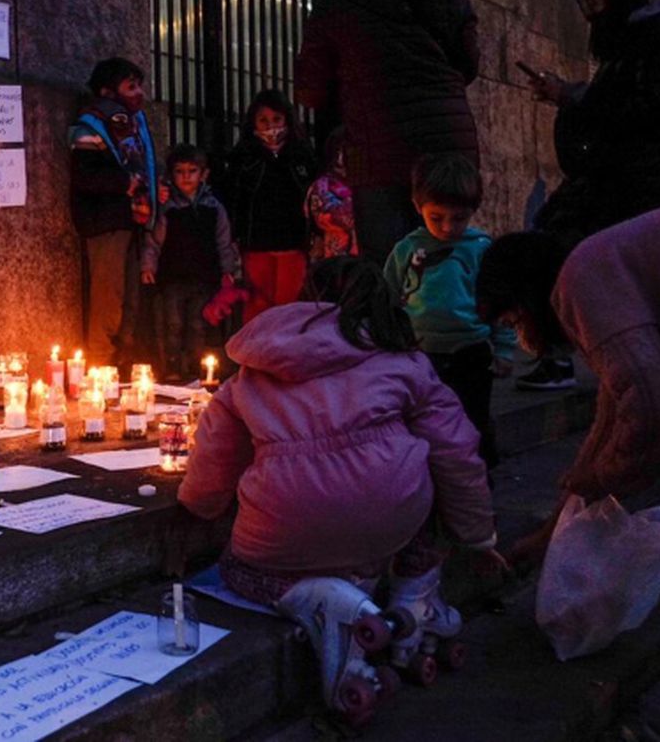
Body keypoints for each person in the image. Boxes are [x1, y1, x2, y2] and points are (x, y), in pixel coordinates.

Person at [178, 257, 500, 723]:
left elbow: (214, 458)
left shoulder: (250, 374)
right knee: (423, 514)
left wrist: (198, 507)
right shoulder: (406, 364)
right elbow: (456, 451)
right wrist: (478, 537)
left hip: (284, 529)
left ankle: (314, 596)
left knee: (240, 573)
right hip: (391, 521)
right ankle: (415, 598)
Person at [478, 199, 660, 721]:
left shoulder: (582, 281)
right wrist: (556, 526)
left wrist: (605, 479)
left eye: (514, 322)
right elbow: (613, 414)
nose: (525, 343)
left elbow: (656, 407)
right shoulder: (605, 266)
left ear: (528, 300)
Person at [516, 0, 660, 390]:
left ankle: (568, 356)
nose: (592, 19)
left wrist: (573, 99)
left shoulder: (655, 39)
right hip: (618, 179)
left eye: (596, 6)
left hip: (634, 183)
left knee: (561, 251)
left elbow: (644, 110)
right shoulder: (640, 41)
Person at [294, 0, 481, 266]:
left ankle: (395, 320)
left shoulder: (339, 1)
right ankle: (451, 320)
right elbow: (468, 63)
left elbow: (310, 92)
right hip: (449, 145)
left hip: (381, 153)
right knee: (449, 258)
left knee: (390, 267)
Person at [382, 155, 515, 471]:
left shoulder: (481, 249)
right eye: (436, 217)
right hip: (421, 354)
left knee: (472, 419)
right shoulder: (406, 250)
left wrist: (505, 350)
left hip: (472, 353)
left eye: (458, 218)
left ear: (473, 210)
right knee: (425, 419)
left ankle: (479, 475)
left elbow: (502, 304)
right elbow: (388, 299)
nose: (447, 227)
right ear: (418, 206)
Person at [69, 58, 158, 365]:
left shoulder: (133, 124)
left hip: (133, 220)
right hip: (106, 222)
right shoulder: (90, 127)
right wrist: (125, 183)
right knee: (110, 300)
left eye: (140, 86)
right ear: (108, 91)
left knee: (130, 299)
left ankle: (121, 364)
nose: (139, 93)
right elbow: (85, 176)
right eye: (130, 86)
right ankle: (100, 365)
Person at [141, 144, 239, 381]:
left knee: (198, 325)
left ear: (203, 174)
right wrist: (148, 266)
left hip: (204, 277)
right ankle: (172, 368)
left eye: (192, 171)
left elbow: (223, 241)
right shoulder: (169, 208)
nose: (186, 177)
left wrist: (229, 271)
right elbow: (155, 241)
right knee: (172, 324)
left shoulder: (213, 208)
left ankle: (196, 367)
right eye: (180, 171)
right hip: (173, 277)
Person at [222, 89, 316, 324]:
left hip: (293, 243)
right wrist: (234, 236)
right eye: (263, 120)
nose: (270, 126)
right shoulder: (243, 157)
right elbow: (234, 198)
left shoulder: (302, 155)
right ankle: (257, 357)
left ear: (287, 120)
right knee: (258, 304)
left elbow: (313, 198)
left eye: (276, 119)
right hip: (256, 243)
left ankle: (285, 356)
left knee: (289, 304)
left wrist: (315, 235)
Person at [305, 127, 358, 262]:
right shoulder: (323, 185)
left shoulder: (365, 181)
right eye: (340, 150)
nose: (344, 156)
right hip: (336, 259)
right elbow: (329, 216)